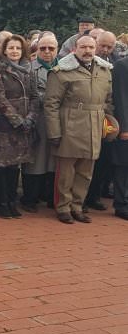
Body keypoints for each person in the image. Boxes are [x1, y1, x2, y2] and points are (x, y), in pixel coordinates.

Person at [45, 35, 114, 224]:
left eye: (91, 47)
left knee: (86, 172)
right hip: (70, 125)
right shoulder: (61, 72)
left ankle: (77, 206)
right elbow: (51, 104)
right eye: (83, 47)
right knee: (66, 173)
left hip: (94, 125)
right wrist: (54, 132)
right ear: (74, 48)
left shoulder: (104, 70)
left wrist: (110, 124)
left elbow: (108, 101)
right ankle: (63, 207)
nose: (88, 51)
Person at [0, 34, 41, 219]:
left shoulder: (29, 70)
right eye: (11, 48)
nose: (14, 51)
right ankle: (2, 203)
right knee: (2, 166)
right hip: (5, 126)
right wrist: (17, 120)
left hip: (25, 125)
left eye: (18, 48)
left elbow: (35, 97)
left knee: (15, 167)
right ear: (4, 50)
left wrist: (31, 118)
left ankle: (12, 201)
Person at [21, 33, 58, 212]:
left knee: (54, 161)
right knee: (35, 162)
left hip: (59, 122)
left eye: (51, 48)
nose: (47, 52)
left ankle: (51, 198)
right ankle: (30, 199)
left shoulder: (64, 68)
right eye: (42, 48)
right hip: (38, 120)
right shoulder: (29, 69)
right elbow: (27, 96)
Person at [84, 31, 121, 211]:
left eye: (109, 47)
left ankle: (95, 195)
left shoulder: (115, 64)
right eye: (102, 45)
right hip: (87, 117)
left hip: (108, 118)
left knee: (103, 160)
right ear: (95, 42)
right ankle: (81, 198)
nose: (105, 50)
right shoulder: (84, 61)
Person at [112, 55, 128, 220]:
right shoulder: (122, 65)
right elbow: (121, 98)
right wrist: (124, 128)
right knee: (123, 165)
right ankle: (121, 204)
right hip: (126, 125)